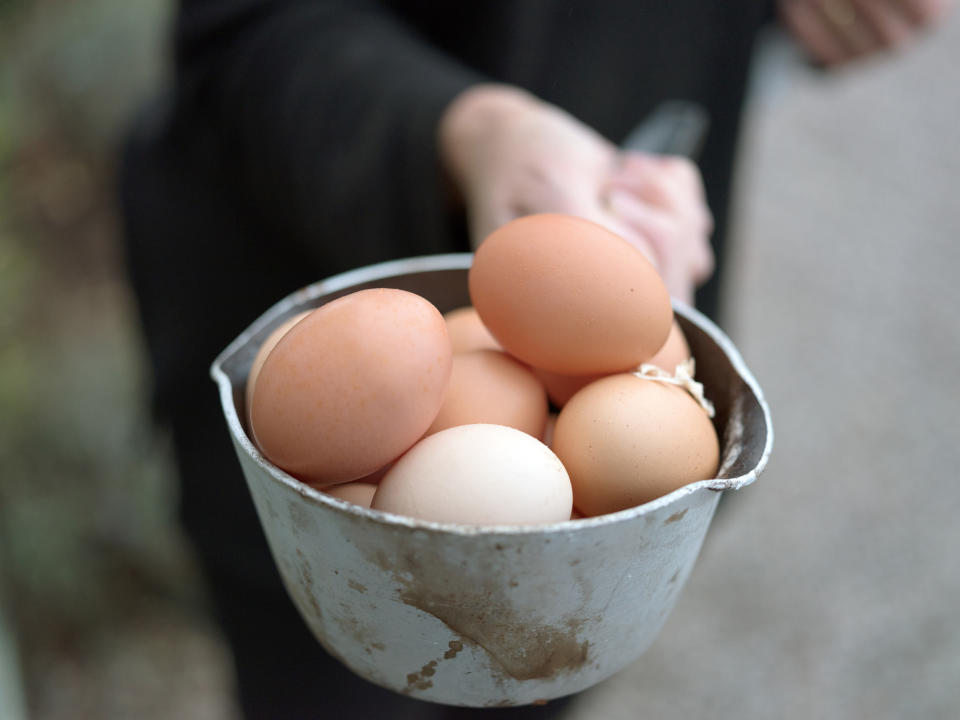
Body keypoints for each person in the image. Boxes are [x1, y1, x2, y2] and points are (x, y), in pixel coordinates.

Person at [118, 1, 947, 718]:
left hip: (591, 490)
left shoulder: (612, 393)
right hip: (288, 275)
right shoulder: (414, 371)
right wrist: (470, 130)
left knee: (539, 680)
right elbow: (236, 31)